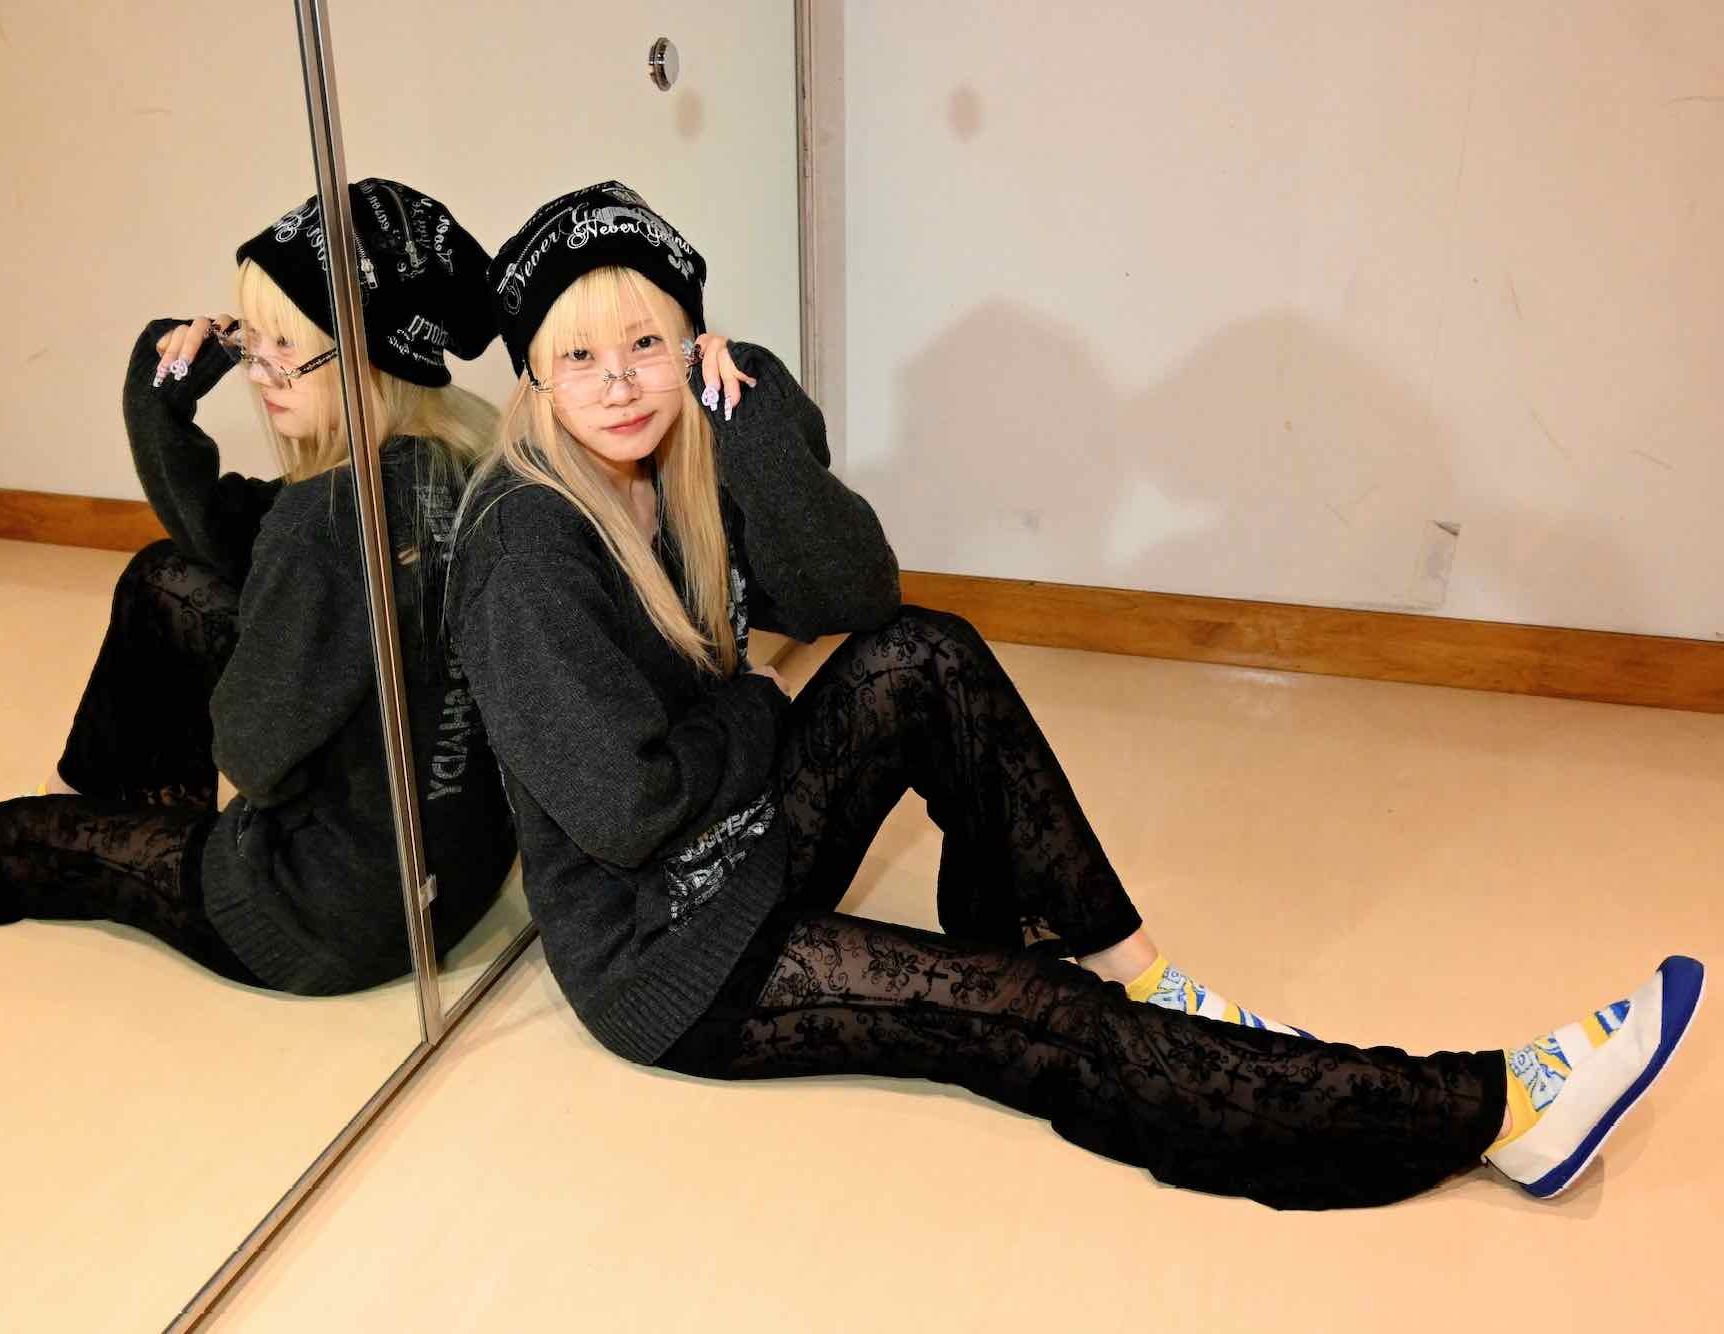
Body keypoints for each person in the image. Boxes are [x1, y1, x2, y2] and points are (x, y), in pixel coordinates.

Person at [442, 180, 1703, 1209]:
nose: (619, 383)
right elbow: (625, 809)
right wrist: (759, 710)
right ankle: (1493, 1108)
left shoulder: (678, 465)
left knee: (925, 651)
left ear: (692, 343)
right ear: (533, 379)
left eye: (646, 343)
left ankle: (1132, 961)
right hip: (668, 952)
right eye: (578, 356)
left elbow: (859, 594)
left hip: (741, 838)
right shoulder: (527, 548)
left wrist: (753, 430)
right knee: (1046, 1023)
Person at [0, 179, 517, 994]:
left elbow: (250, 754)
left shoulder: (327, 521)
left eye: (286, 347)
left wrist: (272, 672)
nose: (257, 372)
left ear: (371, 352)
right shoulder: (455, 455)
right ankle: (97, 798)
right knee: (162, 578)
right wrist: (163, 400)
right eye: (253, 340)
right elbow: (223, 540)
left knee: (27, 840)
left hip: (322, 913)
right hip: (453, 873)